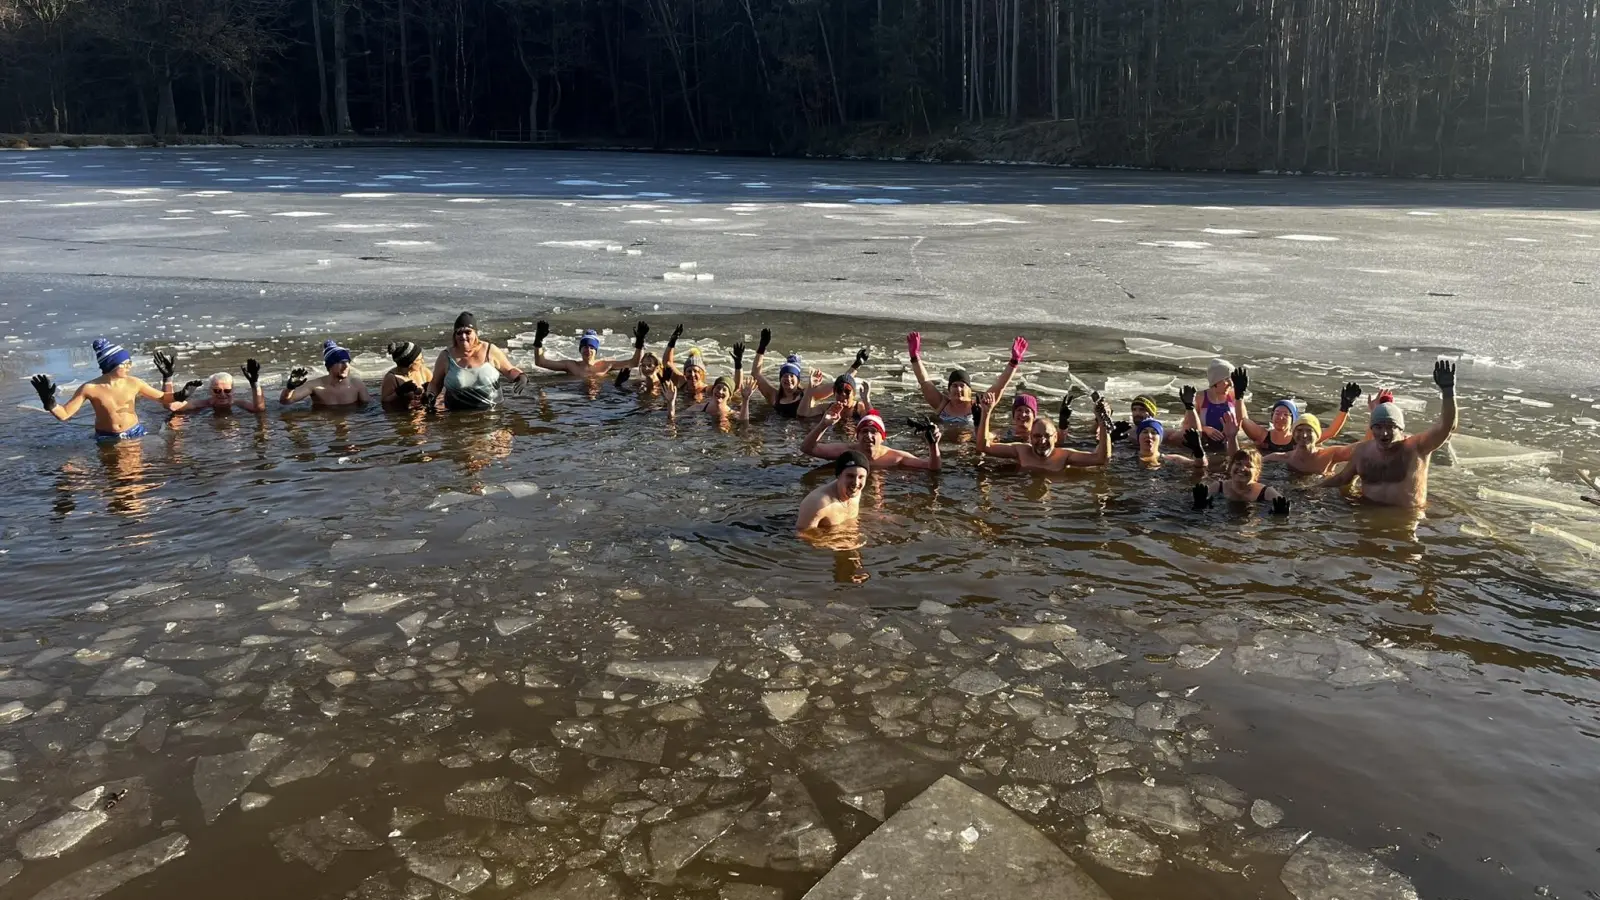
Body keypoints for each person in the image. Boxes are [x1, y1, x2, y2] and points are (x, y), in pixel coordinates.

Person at [1316, 361, 1458, 508]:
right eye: (1378, 427)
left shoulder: (1417, 447)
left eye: (1391, 427)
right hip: (1367, 516)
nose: (1384, 433)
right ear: (1372, 428)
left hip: (1406, 520)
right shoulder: (1362, 452)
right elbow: (1342, 479)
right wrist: (1309, 491)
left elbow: (1447, 426)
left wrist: (1448, 391)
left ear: (1401, 429)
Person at [29, 339, 177, 441]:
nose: (129, 367)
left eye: (129, 363)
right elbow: (65, 415)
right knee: (112, 475)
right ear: (110, 366)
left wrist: (181, 392)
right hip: (106, 437)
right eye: (123, 364)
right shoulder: (90, 388)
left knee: (133, 473)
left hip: (134, 433)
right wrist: (49, 402)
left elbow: (163, 398)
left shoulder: (134, 382)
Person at [906, 331, 1024, 425]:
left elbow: (1000, 385)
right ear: (949, 390)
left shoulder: (980, 405)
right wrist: (914, 357)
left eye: (962, 385)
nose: (958, 389)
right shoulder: (941, 404)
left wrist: (1014, 361)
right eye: (954, 385)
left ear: (970, 390)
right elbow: (924, 382)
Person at [975, 393, 1114, 472]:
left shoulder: (1064, 456)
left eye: (1047, 436)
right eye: (1037, 436)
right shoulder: (1021, 450)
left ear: (1055, 437)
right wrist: (986, 413)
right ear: (1030, 437)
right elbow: (983, 446)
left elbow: (1101, 459)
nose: (1042, 441)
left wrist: (1102, 423)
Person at [424, 312, 525, 411]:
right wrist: (430, 396)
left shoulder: (489, 350)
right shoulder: (446, 356)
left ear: (475, 333)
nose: (463, 336)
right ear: (454, 335)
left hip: (492, 413)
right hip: (456, 417)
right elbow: (435, 383)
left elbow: (509, 370)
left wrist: (521, 376)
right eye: (459, 332)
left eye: (468, 332)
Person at [800, 403, 941, 471]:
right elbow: (807, 448)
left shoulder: (896, 457)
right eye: (864, 431)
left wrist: (933, 445)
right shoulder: (848, 453)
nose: (868, 435)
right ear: (857, 436)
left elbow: (933, 467)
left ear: (883, 437)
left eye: (874, 431)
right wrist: (823, 424)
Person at [1237, 382, 1361, 452]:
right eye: (1277, 413)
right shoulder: (1263, 436)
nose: (1280, 417)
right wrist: (1239, 396)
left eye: (1286, 415)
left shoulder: (1302, 438)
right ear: (1272, 416)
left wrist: (1345, 407)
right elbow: (1243, 420)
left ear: (1293, 420)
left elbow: (1331, 432)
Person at [1192, 446, 1291, 514]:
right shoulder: (1218, 487)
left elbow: (1287, 508)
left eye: (1248, 466)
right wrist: (1199, 505)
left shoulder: (1266, 492)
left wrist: (1278, 515)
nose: (1242, 469)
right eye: (1238, 464)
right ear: (1230, 467)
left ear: (1257, 472)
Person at [532, 320, 648, 377]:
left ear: (596, 351)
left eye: (591, 347)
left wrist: (640, 342)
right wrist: (538, 341)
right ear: (580, 350)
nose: (588, 350)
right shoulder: (571, 366)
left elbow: (634, 363)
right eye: (585, 347)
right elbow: (540, 362)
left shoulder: (606, 365)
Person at [280, 340, 370, 407]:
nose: (346, 366)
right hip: (325, 426)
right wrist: (290, 388)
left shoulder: (357, 385)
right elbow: (285, 402)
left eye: (347, 362)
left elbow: (369, 409)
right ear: (329, 366)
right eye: (340, 362)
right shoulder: (314, 386)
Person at [798, 450, 870, 532]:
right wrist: (836, 543)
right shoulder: (818, 502)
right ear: (838, 475)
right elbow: (802, 535)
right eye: (850, 476)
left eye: (861, 477)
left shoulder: (856, 492)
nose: (856, 483)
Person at [1262, 413, 1356, 475]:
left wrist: (1371, 421)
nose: (1304, 435)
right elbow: (1254, 463)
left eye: (1309, 431)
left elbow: (1362, 448)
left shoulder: (1330, 455)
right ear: (1293, 434)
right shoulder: (1282, 458)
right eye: (1299, 430)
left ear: (1317, 435)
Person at [1182, 359, 1244, 451]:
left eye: (1231, 379)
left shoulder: (1234, 396)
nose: (1231, 384)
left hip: (1229, 443)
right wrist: (1205, 429)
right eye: (1226, 379)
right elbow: (1186, 426)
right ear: (1215, 381)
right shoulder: (1200, 397)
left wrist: (1230, 433)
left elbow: (1243, 423)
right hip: (1204, 444)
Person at [168, 362, 266, 415]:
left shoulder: (240, 403)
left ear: (233, 390)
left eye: (227, 391)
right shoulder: (202, 403)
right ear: (210, 391)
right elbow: (172, 406)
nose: (222, 395)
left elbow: (259, 408)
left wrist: (255, 384)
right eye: (217, 391)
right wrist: (167, 378)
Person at [380, 341, 430, 408]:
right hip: (403, 413)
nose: (422, 362)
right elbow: (385, 401)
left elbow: (438, 391)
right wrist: (399, 392)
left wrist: (430, 390)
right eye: (418, 360)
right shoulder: (392, 378)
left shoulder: (423, 371)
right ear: (409, 363)